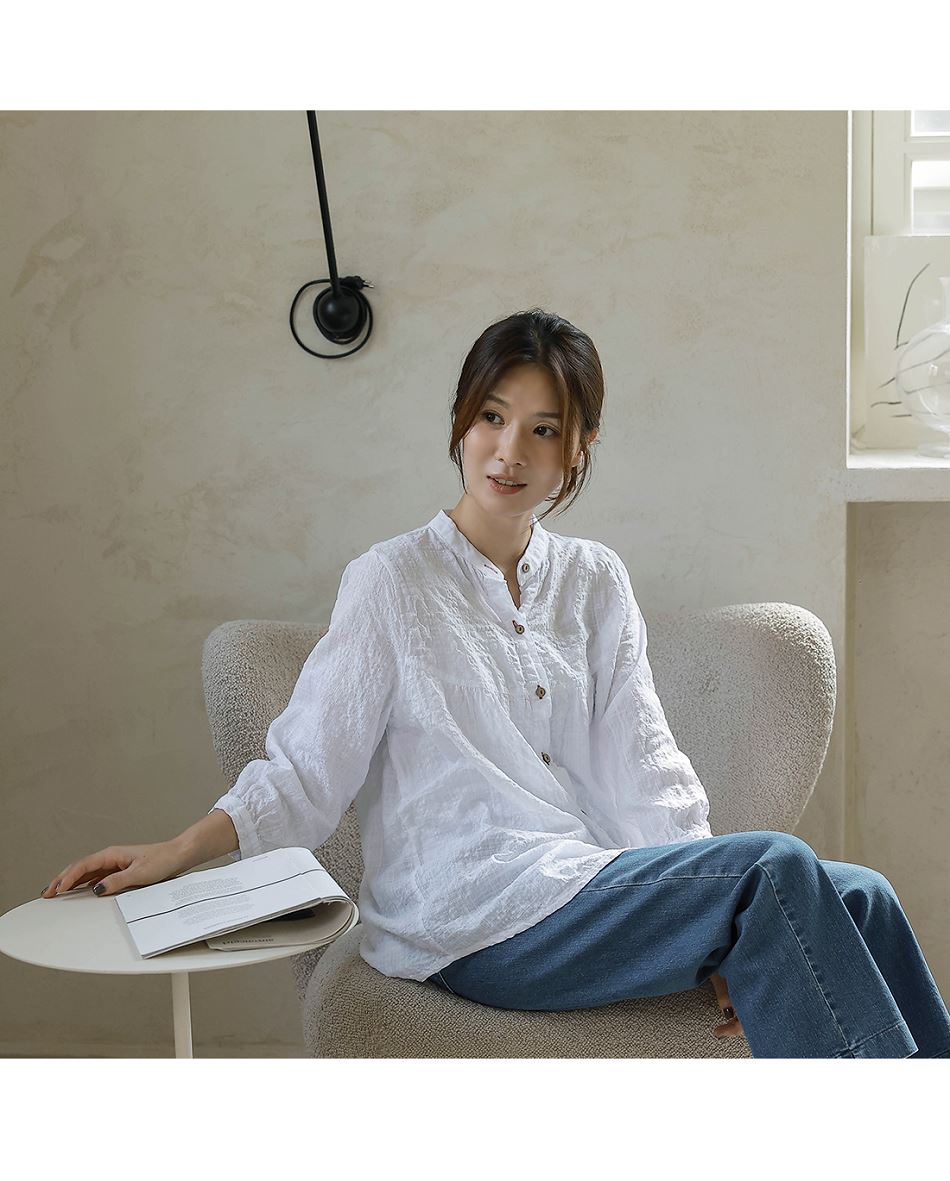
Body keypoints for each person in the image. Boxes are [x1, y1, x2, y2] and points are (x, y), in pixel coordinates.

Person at [42, 308, 950, 1058]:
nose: (509, 450)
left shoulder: (594, 580)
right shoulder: (392, 582)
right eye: (491, 417)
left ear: (578, 448)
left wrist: (713, 921)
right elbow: (305, 766)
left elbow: (645, 766)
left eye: (543, 429)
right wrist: (175, 851)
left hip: (581, 885)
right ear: (461, 421)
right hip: (471, 921)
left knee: (861, 894)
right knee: (776, 869)